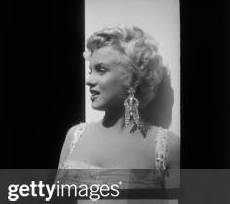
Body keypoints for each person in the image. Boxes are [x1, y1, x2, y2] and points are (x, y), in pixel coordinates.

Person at [58, 26, 180, 189]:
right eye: (90, 70)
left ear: (133, 77)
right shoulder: (74, 136)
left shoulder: (166, 147)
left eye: (101, 70)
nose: (89, 80)